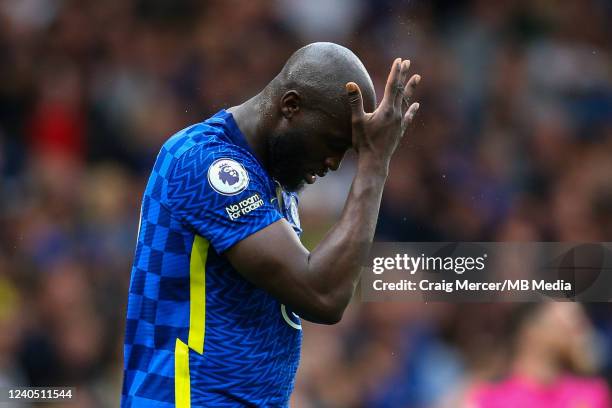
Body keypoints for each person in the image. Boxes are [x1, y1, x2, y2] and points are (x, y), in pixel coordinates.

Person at [121, 42, 421, 407]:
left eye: (349, 153)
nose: (334, 163)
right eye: (333, 143)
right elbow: (322, 295)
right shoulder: (206, 164)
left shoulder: (269, 180)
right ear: (291, 106)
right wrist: (374, 165)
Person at [467, 302, 611, 408]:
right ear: (530, 330)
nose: (580, 330)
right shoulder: (490, 398)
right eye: (567, 321)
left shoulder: (591, 394)